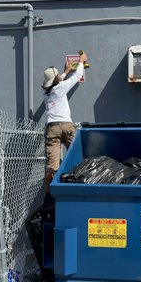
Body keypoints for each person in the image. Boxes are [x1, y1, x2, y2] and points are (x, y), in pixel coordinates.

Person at [42, 51, 88, 206]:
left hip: (52, 128)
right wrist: (81, 61)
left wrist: (66, 71)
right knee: (77, 156)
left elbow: (58, 81)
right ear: (56, 79)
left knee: (52, 166)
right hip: (66, 126)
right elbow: (76, 77)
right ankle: (80, 184)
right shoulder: (61, 86)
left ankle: (48, 196)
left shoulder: (45, 92)